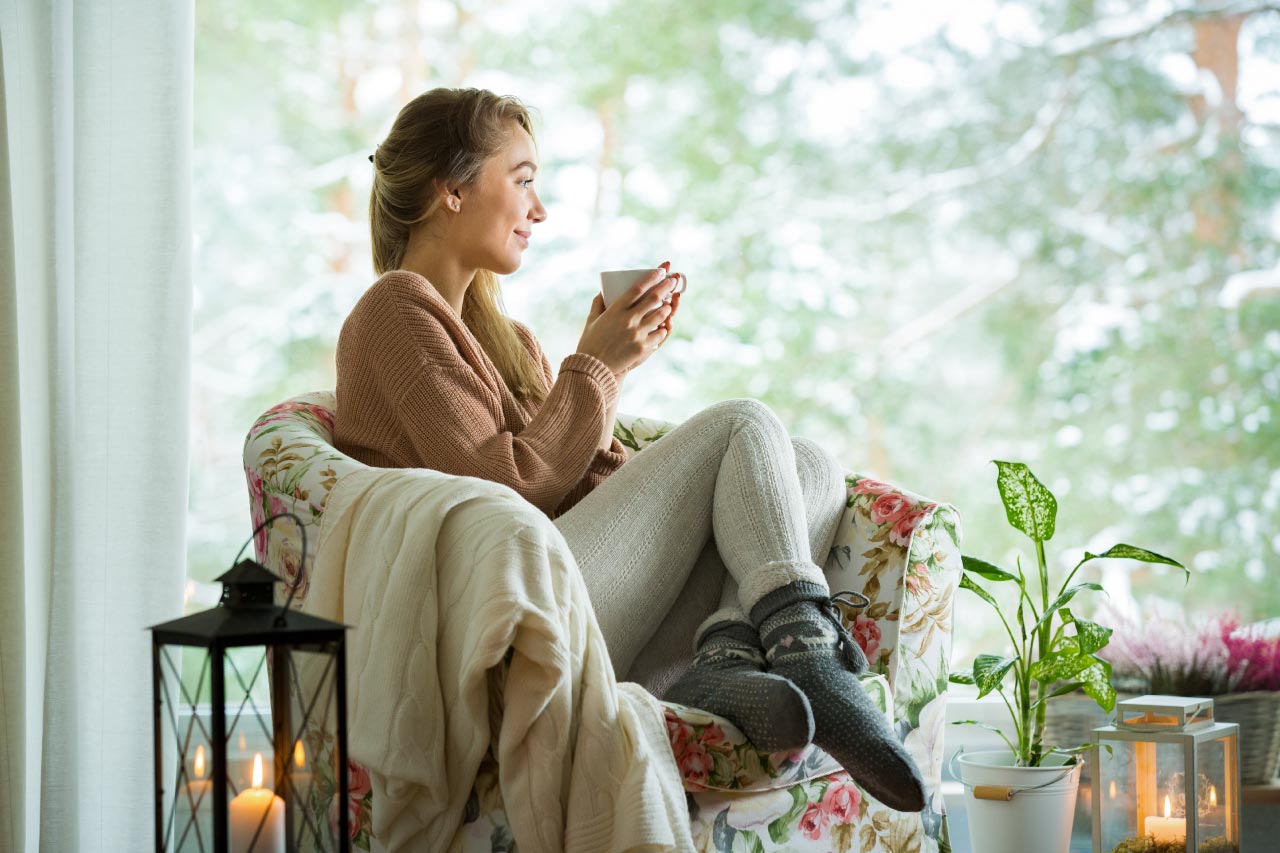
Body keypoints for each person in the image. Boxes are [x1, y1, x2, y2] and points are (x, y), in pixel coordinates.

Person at [333, 87, 925, 812]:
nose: (540, 209)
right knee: (742, 421)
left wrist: (606, 386)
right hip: (500, 640)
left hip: (580, 603)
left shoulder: (508, 343)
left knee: (809, 466)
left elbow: (587, 490)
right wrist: (599, 369)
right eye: (522, 180)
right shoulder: (394, 311)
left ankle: (727, 657)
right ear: (450, 188)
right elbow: (505, 495)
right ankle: (808, 652)